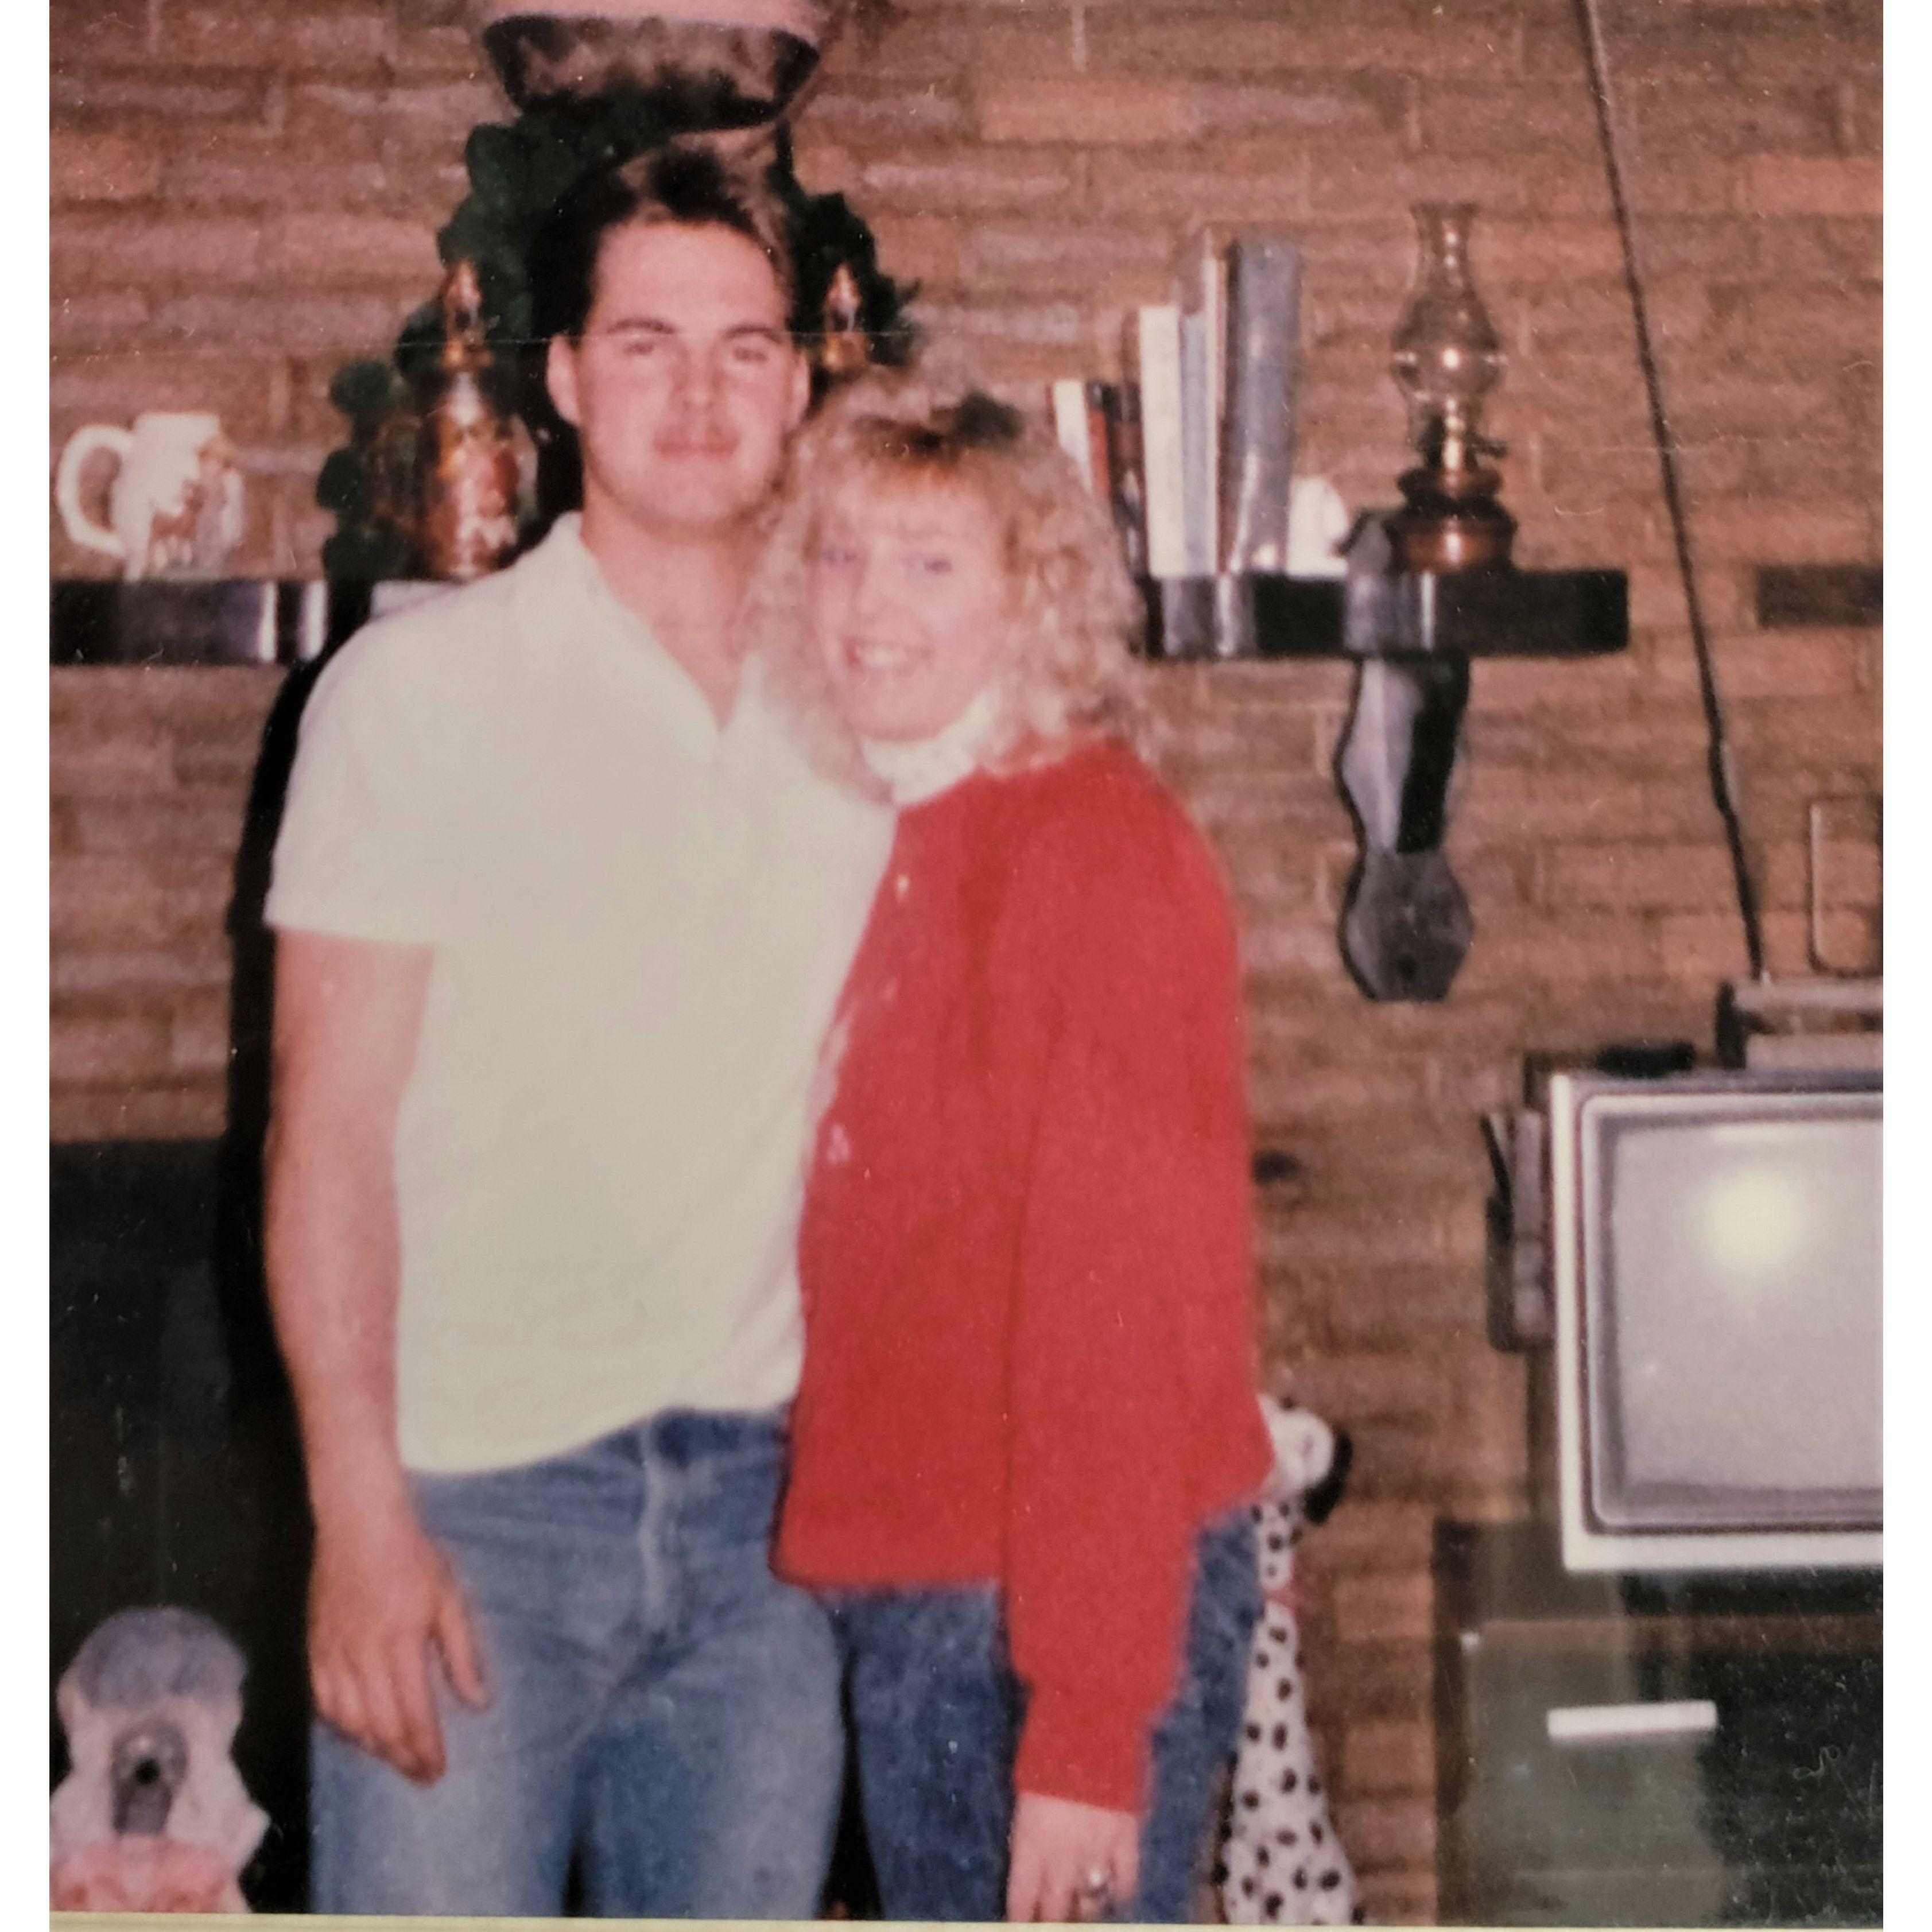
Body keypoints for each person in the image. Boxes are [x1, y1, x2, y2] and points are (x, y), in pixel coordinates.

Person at [260, 143, 893, 1918]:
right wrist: (357, 1522)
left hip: (771, 1529)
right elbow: (327, 1139)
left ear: (799, 382)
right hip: (475, 1516)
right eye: (645, 344)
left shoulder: (872, 701)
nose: (698, 396)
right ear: (561, 376)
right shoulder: (414, 695)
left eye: (745, 348)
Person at [746, 373, 1277, 1923]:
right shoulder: (895, 828)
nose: (869, 608)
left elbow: (1119, 1314)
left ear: (1029, 597)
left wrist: (1089, 1730)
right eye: (841, 554)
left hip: (1040, 1613)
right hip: (926, 1587)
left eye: (930, 564)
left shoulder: (1092, 850)